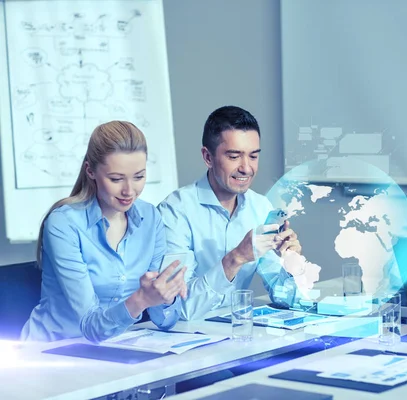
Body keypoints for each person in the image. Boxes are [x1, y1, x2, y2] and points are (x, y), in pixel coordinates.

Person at [21, 121, 187, 342]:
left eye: (139, 177)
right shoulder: (64, 223)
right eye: (116, 179)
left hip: (116, 347)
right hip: (53, 350)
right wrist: (141, 299)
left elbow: (165, 320)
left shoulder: (151, 218)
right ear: (91, 170)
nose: (129, 191)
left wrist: (165, 296)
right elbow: (91, 326)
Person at [158, 106, 303, 321]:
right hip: (187, 339)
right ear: (208, 157)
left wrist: (291, 265)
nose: (246, 168)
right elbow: (179, 309)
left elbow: (286, 298)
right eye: (234, 156)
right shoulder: (175, 212)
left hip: (238, 332)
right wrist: (235, 259)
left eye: (253, 156)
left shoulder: (260, 207)